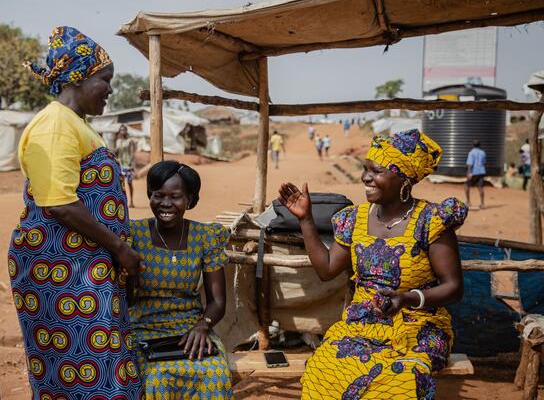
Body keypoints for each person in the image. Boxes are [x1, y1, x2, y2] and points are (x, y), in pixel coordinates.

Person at [278, 129, 467, 399]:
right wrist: (305, 219)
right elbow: (326, 270)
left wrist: (407, 298)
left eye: (377, 171)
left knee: (396, 380)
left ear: (404, 178)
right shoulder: (354, 219)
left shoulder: (431, 221)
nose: (366, 177)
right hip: (361, 324)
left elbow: (454, 288)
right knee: (323, 370)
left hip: (418, 327)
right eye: (366, 169)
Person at [9, 26, 143, 399]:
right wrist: (119, 247)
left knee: (101, 361)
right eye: (105, 80)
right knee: (84, 368)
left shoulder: (76, 125)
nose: (111, 90)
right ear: (79, 78)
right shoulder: (55, 126)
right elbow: (60, 204)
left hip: (82, 266)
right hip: (62, 270)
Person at [128, 161, 233, 399]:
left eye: (175, 196)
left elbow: (217, 301)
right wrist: (128, 273)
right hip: (143, 328)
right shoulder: (133, 235)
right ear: (149, 196)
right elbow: (125, 298)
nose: (166, 203)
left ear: (190, 200)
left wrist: (203, 325)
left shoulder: (206, 237)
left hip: (191, 329)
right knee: (158, 376)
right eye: (158, 195)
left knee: (214, 373)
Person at [115, 125, 138, 207]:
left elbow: (132, 153)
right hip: (121, 165)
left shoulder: (130, 140)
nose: (123, 132)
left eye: (124, 130)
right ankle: (122, 202)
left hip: (128, 165)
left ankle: (131, 201)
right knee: (121, 184)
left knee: (129, 183)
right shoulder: (118, 141)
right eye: (121, 130)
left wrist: (130, 162)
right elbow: (117, 153)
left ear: (126, 131)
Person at [465, 140, 487, 209]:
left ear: (473, 145)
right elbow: (484, 162)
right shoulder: (483, 153)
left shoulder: (471, 153)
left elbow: (470, 164)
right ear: (479, 145)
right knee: (480, 188)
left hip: (474, 172)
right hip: (481, 171)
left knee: (466, 186)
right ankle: (482, 204)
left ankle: (468, 202)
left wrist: (469, 173)